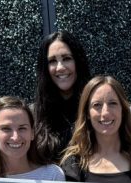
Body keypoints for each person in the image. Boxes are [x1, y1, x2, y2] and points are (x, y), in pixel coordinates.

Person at [33, 30, 91, 162]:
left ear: (78, 62)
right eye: (52, 61)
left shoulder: (96, 109)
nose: (60, 67)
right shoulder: (35, 116)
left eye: (66, 58)